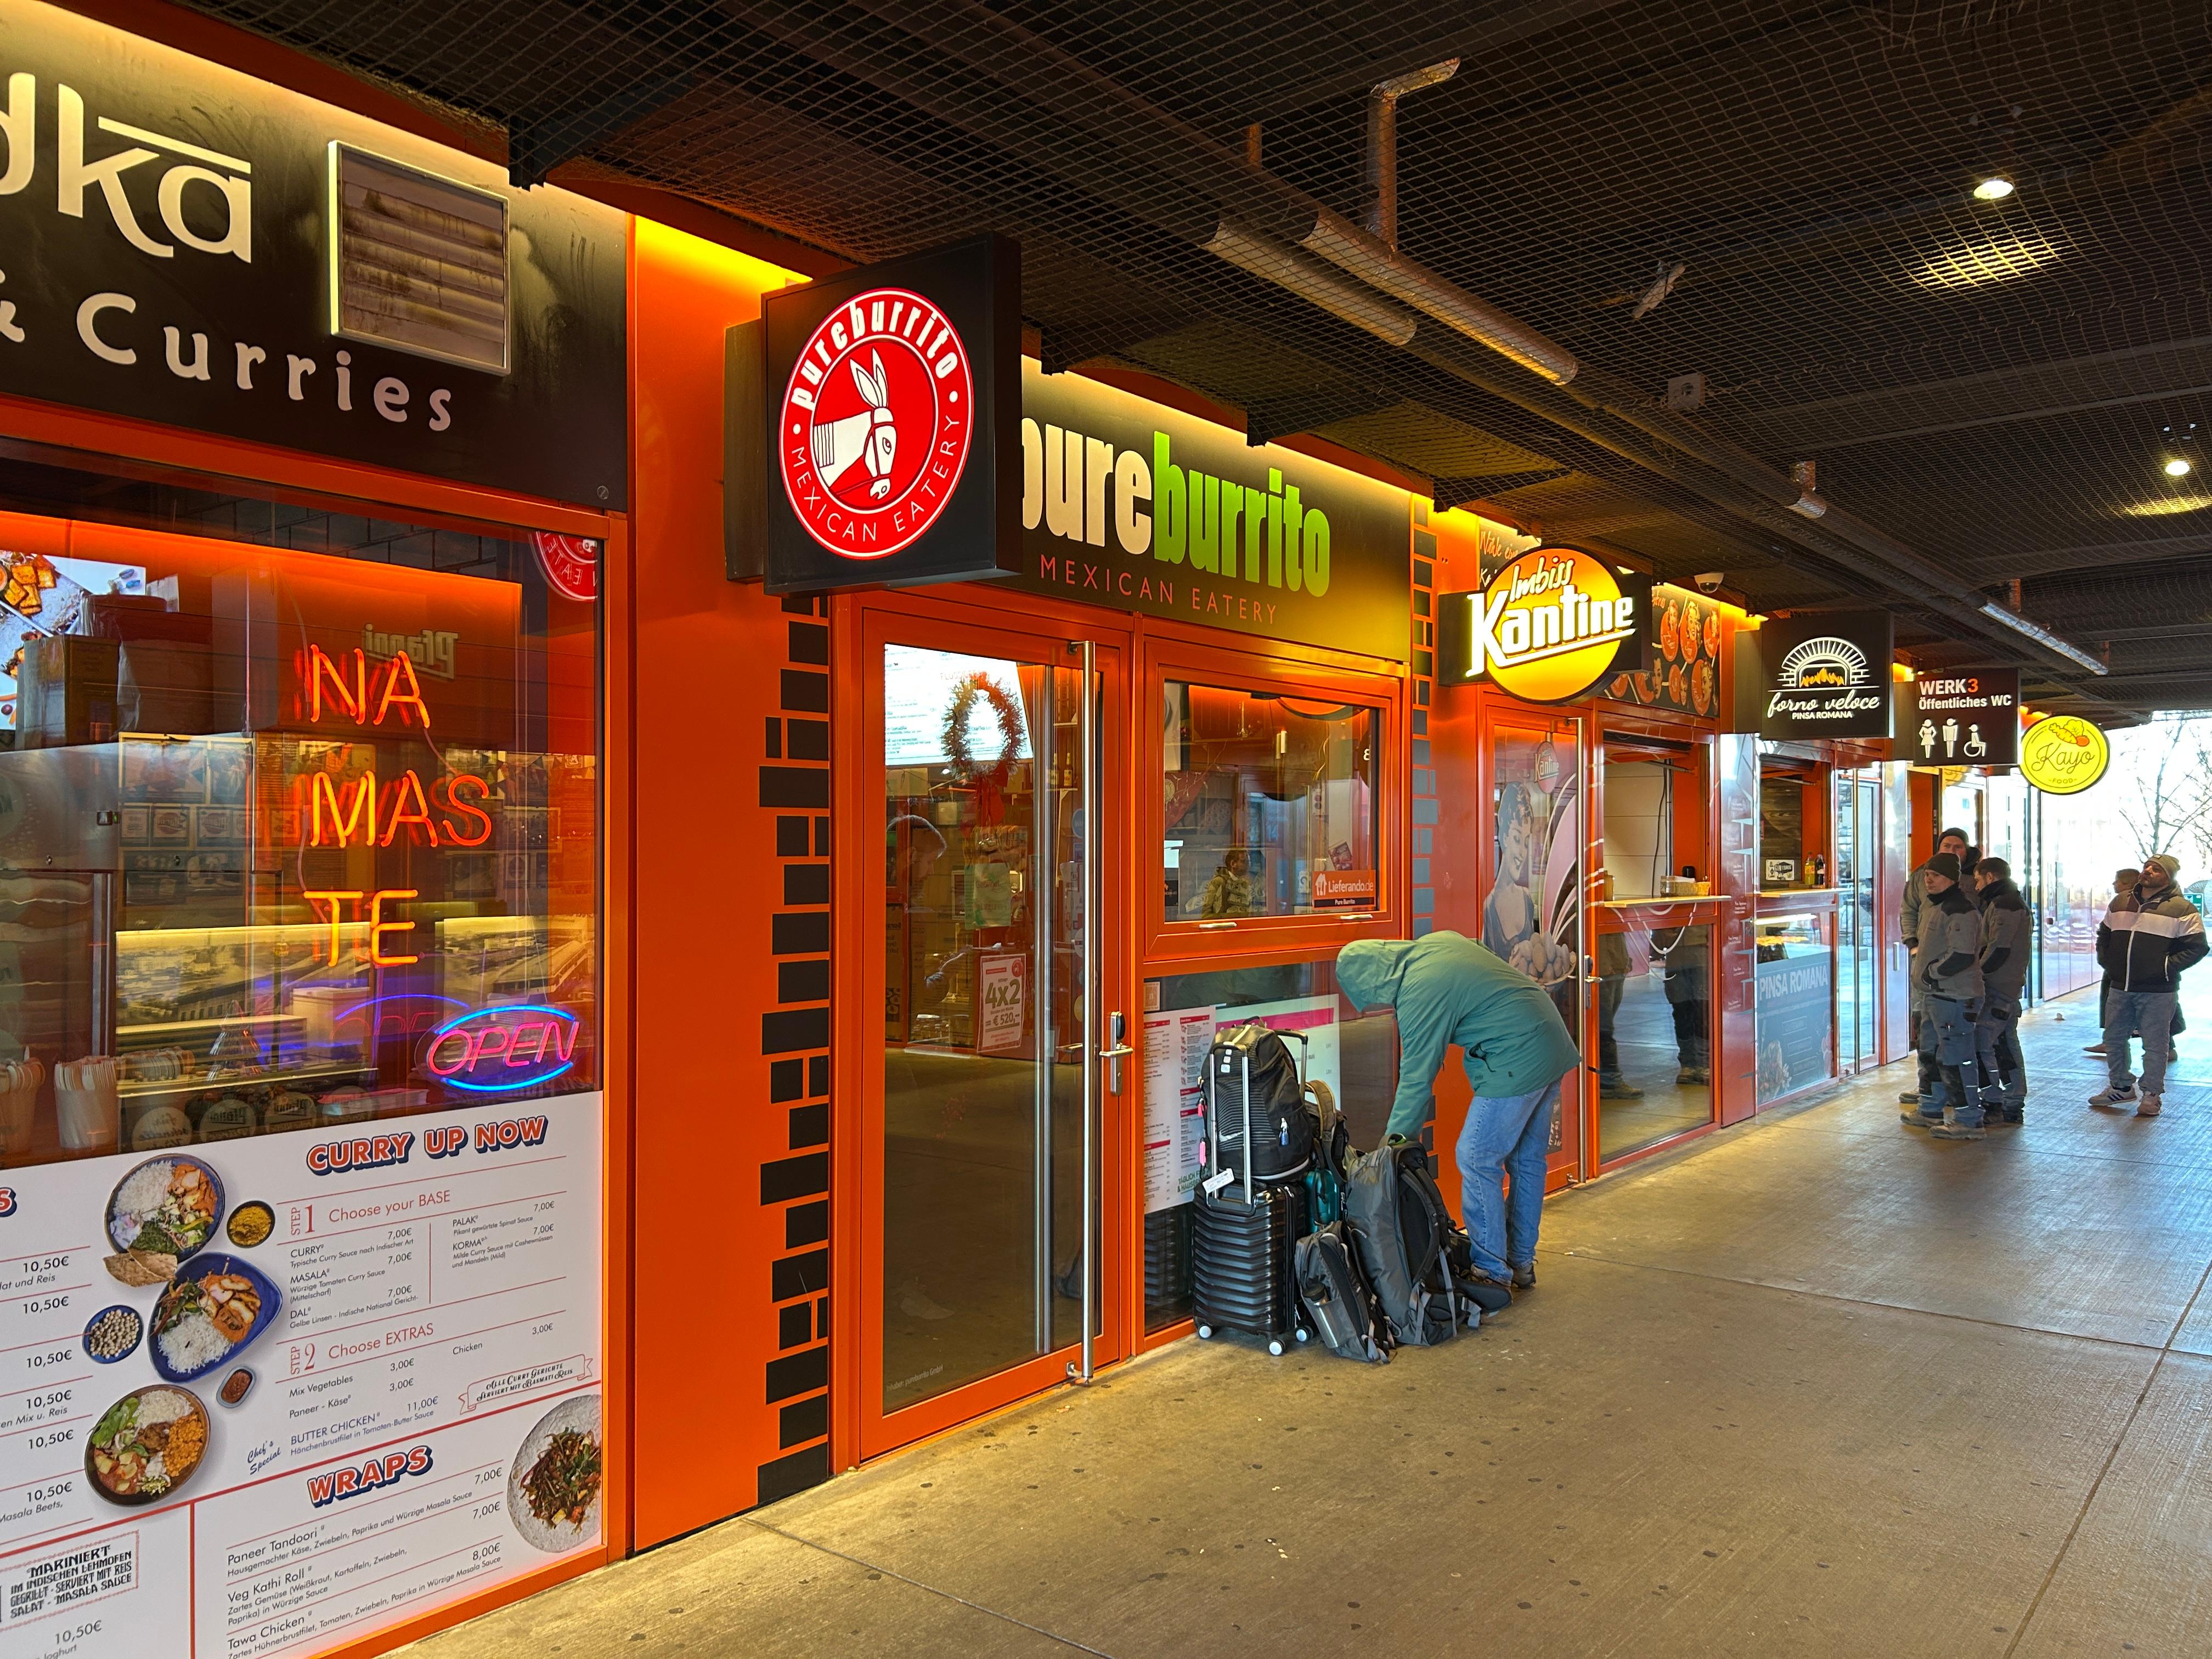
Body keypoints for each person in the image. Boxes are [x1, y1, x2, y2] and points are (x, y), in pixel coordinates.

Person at [1337, 932, 1579, 1302]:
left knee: (1476, 1156)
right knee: (1526, 1160)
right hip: (1552, 1040)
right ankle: (1520, 1264)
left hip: (1517, 1056)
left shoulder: (1419, 990)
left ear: (1375, 982)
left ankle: (1491, 1273)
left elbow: (1417, 1079)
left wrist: (1390, 1154)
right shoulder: (1439, 943)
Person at [2091, 854, 2206, 1118]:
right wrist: (2107, 961)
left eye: (2157, 869)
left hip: (2158, 991)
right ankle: (2120, 1087)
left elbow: (2197, 947)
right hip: (2120, 986)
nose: (2149, 871)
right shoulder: (2120, 902)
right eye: (2147, 867)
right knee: (2113, 1038)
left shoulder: (2182, 909)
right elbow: (2104, 933)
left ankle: (2151, 1095)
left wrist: (2165, 967)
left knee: (2155, 1045)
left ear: (2169, 876)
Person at [1900, 852, 1986, 1139]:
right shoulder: (1934, 907)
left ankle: (1968, 1119)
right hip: (1934, 997)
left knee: (1956, 1058)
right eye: (1926, 875)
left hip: (1954, 997)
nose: (1928, 880)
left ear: (1951, 878)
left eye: (1934, 876)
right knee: (1931, 1054)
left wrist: (1929, 974)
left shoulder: (1960, 910)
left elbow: (1960, 956)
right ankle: (1930, 1108)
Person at [1900, 827, 1972, 1109]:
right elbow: (1908, 911)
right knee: (1927, 1034)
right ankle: (1929, 1090)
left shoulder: (1971, 886)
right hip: (1927, 972)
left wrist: (1935, 971)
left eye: (1957, 847)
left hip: (1954, 980)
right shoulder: (1922, 877)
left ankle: (1963, 1105)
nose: (1951, 851)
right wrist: (1914, 945)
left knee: (1954, 1043)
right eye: (1946, 845)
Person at [1973, 856, 2030, 1125]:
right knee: (2005, 1044)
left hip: (1998, 987)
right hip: (2006, 986)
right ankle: (2011, 1102)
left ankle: (1995, 1101)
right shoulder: (2009, 901)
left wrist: (1976, 976)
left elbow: (1998, 948)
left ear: (1990, 877)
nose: (1975, 887)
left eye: (1977, 880)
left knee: (1985, 1044)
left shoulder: (2004, 905)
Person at [2086, 867, 2140, 1058]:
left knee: (2116, 1003)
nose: (2114, 884)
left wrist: (2105, 957)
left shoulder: (2124, 904)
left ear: (2127, 884)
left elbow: (2108, 932)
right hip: (2121, 963)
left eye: (2117, 881)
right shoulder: (2126, 903)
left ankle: (2110, 1042)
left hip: (2121, 964)